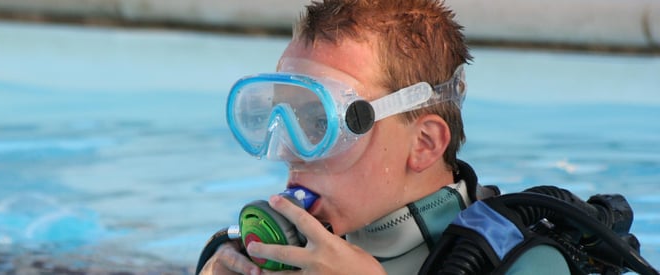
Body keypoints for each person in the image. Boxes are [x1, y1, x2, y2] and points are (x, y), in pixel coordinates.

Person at [199, 0, 571, 274]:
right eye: (279, 116)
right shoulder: (286, 258)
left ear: (423, 143)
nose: (288, 151)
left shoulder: (525, 264)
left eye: (322, 124)